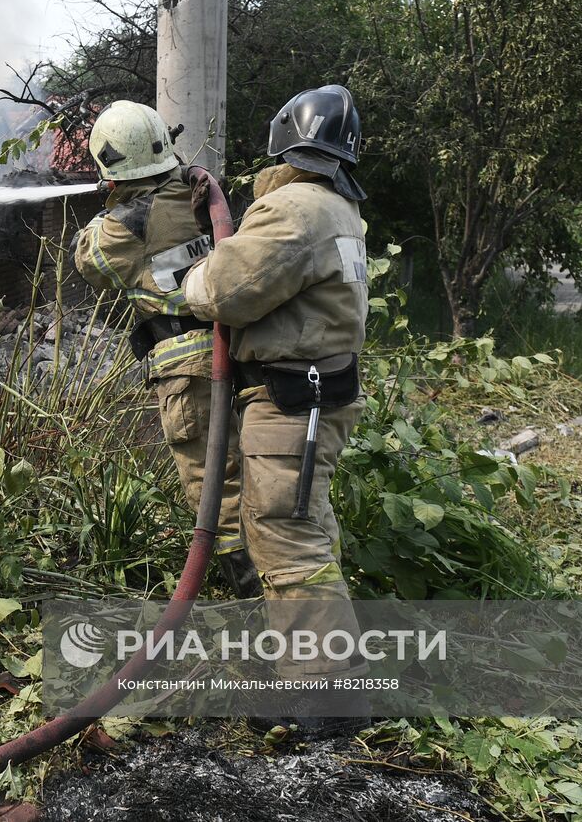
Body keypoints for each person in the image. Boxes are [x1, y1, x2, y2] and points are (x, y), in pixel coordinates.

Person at [181, 84, 371, 726]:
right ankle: (321, 669)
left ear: (286, 140)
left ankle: (326, 694)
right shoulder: (339, 208)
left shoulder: (295, 209)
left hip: (292, 400)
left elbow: (222, 291)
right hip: (313, 395)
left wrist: (194, 274)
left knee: (285, 535)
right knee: (304, 526)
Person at [73, 100, 259, 597]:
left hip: (187, 372)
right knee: (255, 476)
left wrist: (108, 207)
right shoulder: (201, 194)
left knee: (216, 494)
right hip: (239, 352)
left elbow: (89, 262)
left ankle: (256, 608)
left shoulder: (126, 224)